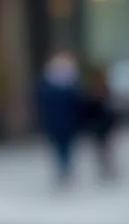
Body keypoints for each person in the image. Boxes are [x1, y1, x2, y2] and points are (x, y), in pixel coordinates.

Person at [35, 52, 83, 188]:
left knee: (66, 147)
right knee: (59, 147)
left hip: (66, 122)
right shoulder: (49, 84)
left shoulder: (69, 82)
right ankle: (63, 169)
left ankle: (65, 169)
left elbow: (78, 103)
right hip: (57, 122)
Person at [78, 65, 119, 181]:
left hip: (106, 125)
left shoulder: (106, 90)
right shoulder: (90, 92)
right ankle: (104, 168)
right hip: (97, 125)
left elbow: (112, 108)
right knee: (101, 148)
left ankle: (108, 168)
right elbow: (87, 109)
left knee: (106, 148)